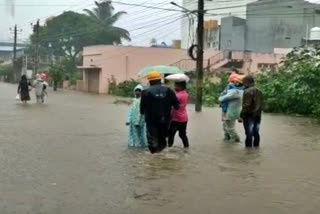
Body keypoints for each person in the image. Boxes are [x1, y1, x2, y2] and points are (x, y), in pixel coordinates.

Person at [140, 71, 179, 154]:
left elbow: (142, 109)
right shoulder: (169, 91)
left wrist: (143, 112)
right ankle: (161, 158)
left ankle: (154, 158)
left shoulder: (145, 92)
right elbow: (177, 106)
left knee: (152, 139)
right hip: (165, 120)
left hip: (151, 120)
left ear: (150, 81)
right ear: (159, 80)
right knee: (163, 139)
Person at [218, 74, 244, 143]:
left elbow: (223, 98)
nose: (233, 83)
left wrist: (220, 98)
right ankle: (227, 137)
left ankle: (235, 138)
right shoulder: (240, 90)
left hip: (231, 112)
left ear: (238, 83)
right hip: (231, 110)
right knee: (226, 125)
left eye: (234, 81)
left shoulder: (235, 91)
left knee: (230, 127)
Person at [240, 75, 263, 148]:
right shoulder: (259, 91)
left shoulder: (247, 91)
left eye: (243, 82)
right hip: (258, 115)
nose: (243, 84)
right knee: (256, 132)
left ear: (246, 82)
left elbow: (246, 105)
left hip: (249, 115)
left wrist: (241, 115)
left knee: (249, 133)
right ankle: (256, 148)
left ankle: (248, 150)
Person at [168, 81, 189, 148]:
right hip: (184, 118)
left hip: (176, 118)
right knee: (182, 134)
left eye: (176, 86)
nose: (174, 87)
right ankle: (186, 147)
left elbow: (171, 104)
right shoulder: (186, 94)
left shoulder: (177, 95)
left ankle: (169, 148)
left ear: (180, 87)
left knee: (171, 134)